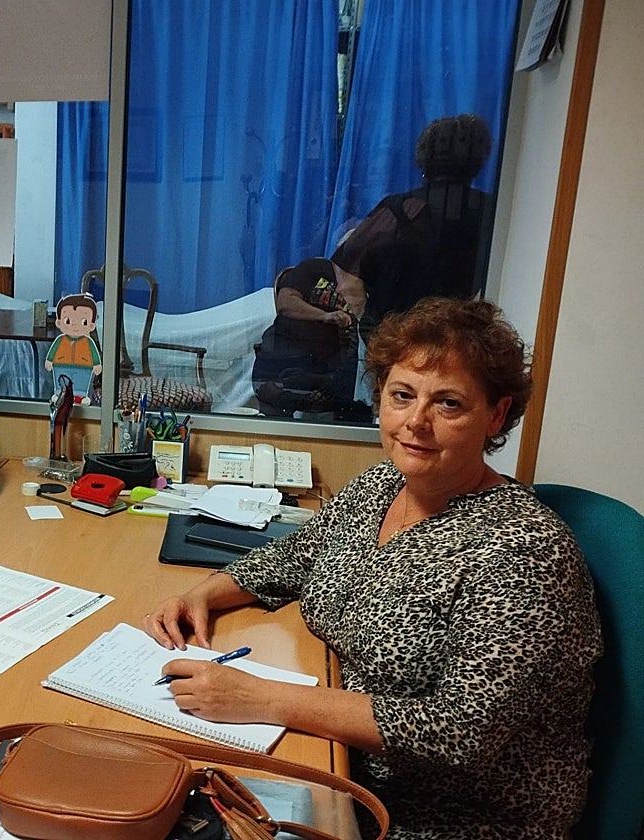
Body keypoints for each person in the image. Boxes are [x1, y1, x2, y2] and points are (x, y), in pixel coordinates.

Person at [144, 298, 602, 839]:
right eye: (401, 396)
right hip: (340, 765)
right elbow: (299, 554)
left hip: (444, 818)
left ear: (495, 416)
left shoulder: (524, 551)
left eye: (448, 403)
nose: (415, 422)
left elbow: (458, 731)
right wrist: (206, 592)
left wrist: (262, 699)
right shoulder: (381, 486)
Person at [334, 115, 495, 341]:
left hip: (392, 338)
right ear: (477, 159)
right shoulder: (492, 211)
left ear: (424, 157)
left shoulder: (399, 209)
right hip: (452, 339)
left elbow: (347, 265)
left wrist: (366, 318)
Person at [251, 256, 367, 418]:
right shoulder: (316, 268)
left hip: (334, 366)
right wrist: (325, 316)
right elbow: (285, 303)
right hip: (288, 350)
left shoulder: (369, 283)